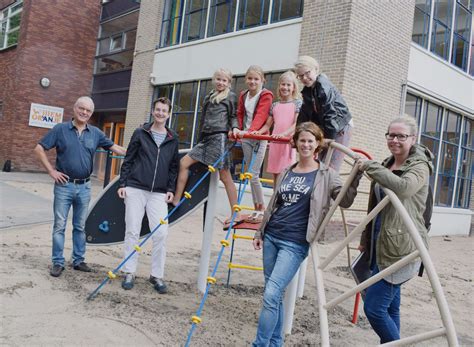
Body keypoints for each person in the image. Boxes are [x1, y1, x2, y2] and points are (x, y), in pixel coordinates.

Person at [252, 122, 362, 346]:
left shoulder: (327, 174)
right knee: (274, 293)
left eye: (310, 141)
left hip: (295, 242)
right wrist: (260, 231)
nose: (305, 144)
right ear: (296, 143)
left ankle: (259, 344)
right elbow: (275, 203)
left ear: (317, 145)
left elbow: (346, 200)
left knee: (272, 292)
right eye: (302, 140)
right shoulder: (287, 171)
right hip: (272, 235)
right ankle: (275, 343)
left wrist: (356, 176)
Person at [357, 116, 433, 343]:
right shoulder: (387, 163)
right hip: (380, 242)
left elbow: (404, 187)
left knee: (374, 309)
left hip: (401, 247)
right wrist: (365, 237)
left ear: (413, 138)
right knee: (391, 308)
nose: (395, 140)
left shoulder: (419, 165)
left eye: (401, 136)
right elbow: (374, 206)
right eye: (391, 135)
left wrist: (370, 166)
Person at [34, 96, 126, 277]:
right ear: (74, 108)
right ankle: (58, 262)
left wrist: (139, 151)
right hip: (64, 186)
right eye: (81, 108)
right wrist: (51, 171)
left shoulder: (96, 133)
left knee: (80, 226)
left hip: (84, 187)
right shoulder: (60, 130)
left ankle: (78, 260)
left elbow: (117, 149)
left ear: (91, 113)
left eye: (88, 110)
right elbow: (38, 148)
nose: (84, 112)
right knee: (59, 226)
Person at [118, 97, 179, 293]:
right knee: (132, 230)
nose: (161, 113)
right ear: (153, 111)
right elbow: (128, 159)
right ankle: (129, 271)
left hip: (159, 193)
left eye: (164, 111)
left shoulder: (172, 138)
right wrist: (122, 183)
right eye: (158, 110)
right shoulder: (140, 133)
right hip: (135, 188)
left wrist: (170, 189)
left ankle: (156, 275)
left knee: (161, 233)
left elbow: (173, 167)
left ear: (169, 114)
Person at [172, 68, 240, 223]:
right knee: (183, 163)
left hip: (219, 137)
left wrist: (234, 128)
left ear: (228, 83)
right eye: (218, 79)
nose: (221, 82)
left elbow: (233, 116)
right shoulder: (209, 96)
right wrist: (199, 139)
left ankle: (235, 212)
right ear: (214, 80)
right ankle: (177, 198)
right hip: (206, 139)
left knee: (225, 176)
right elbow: (202, 119)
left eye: (224, 80)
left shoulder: (230, 96)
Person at [294, 55, 354, 171]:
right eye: (301, 76)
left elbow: (330, 112)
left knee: (330, 166)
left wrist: (329, 138)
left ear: (316, 69)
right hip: (327, 128)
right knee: (321, 163)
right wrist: (296, 136)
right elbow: (304, 115)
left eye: (307, 73)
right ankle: (321, 187)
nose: (305, 78)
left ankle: (330, 187)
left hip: (340, 126)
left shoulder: (323, 86)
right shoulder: (308, 91)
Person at [232, 65, 273, 223]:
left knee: (254, 174)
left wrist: (251, 131)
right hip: (246, 137)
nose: (252, 81)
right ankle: (256, 209)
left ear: (263, 80)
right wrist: (238, 128)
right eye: (250, 78)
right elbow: (240, 113)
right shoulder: (243, 95)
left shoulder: (266, 95)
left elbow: (262, 114)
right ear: (245, 79)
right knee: (250, 175)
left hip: (258, 137)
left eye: (256, 79)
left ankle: (261, 209)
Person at [254, 70, 302, 185]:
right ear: (279, 86)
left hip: (287, 144)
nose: (285, 87)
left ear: (294, 87)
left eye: (288, 85)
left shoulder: (297, 103)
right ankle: (275, 201)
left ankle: (282, 202)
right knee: (276, 177)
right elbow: (267, 125)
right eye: (283, 84)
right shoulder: (275, 105)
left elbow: (296, 124)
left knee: (285, 176)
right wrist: (258, 132)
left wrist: (283, 134)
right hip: (276, 143)